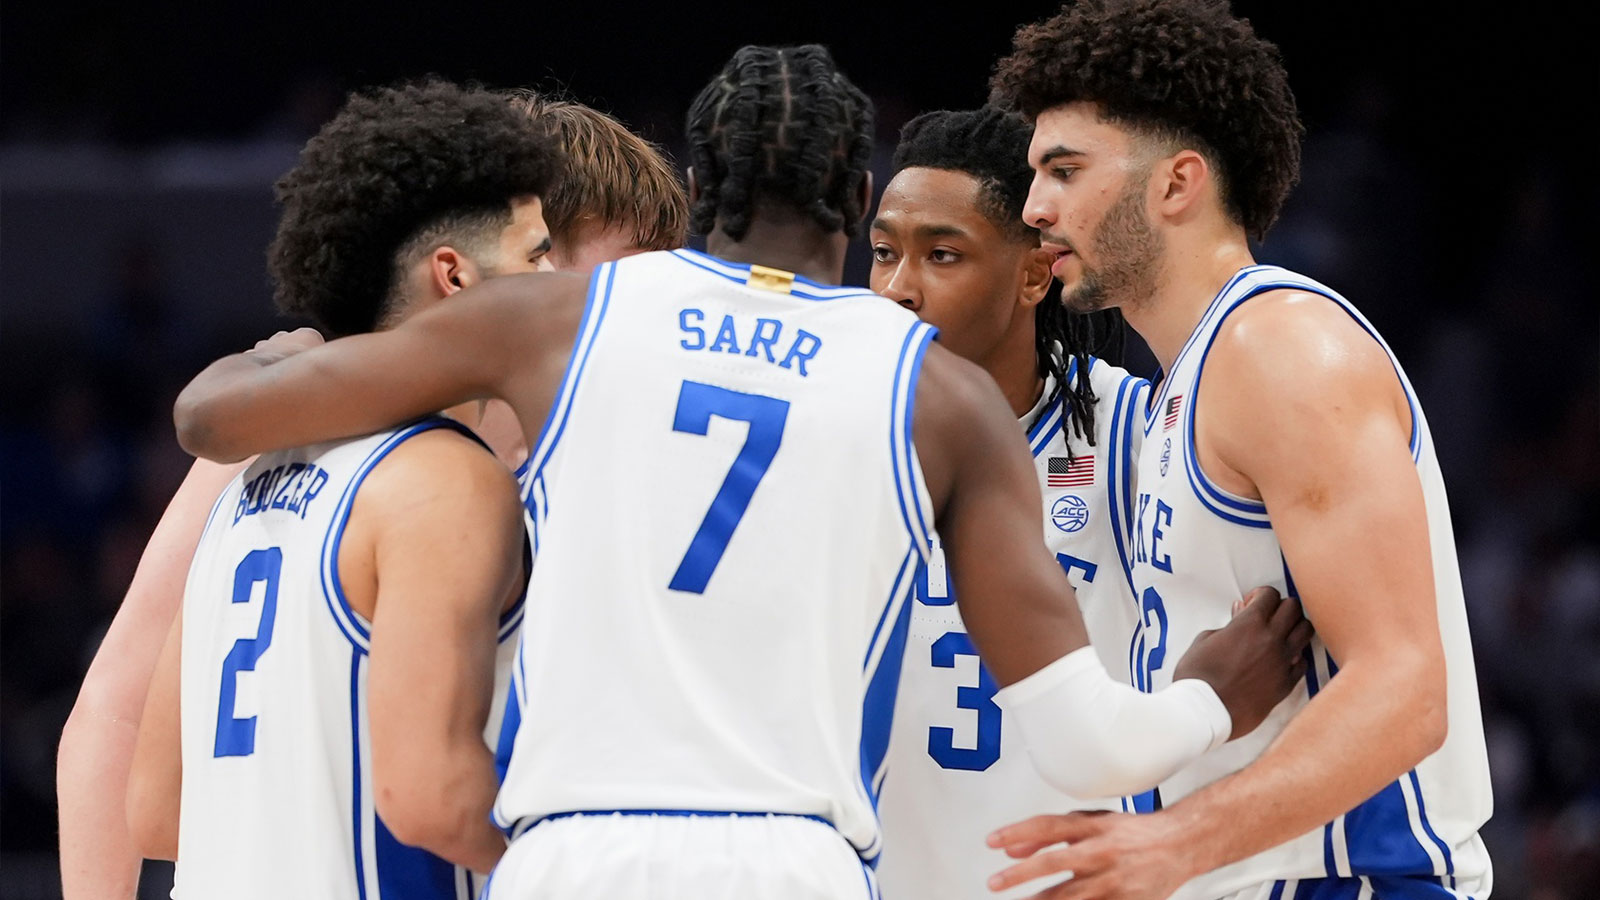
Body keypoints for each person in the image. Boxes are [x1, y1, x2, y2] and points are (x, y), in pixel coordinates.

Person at [170, 45, 1309, 898]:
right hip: (789, 861)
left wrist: (274, 356)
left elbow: (213, 420)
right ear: (859, 202)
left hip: (575, 853)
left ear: (695, 185)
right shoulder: (936, 391)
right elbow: (1084, 745)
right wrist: (1215, 691)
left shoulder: (548, 319)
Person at [56, 91, 688, 900]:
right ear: (515, 256)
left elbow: (162, 804)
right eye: (625, 277)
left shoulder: (272, 443)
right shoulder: (348, 442)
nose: (649, 314)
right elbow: (114, 714)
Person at [983, 2, 1493, 898]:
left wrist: (1172, 845)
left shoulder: (1280, 347)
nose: (1034, 208)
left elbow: (1407, 687)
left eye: (1063, 170)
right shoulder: (1187, 383)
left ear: (1176, 184)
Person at [122, 79, 563, 897]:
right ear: (455, 276)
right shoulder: (446, 478)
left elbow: (154, 809)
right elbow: (428, 798)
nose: (561, 278)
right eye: (538, 254)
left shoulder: (244, 487)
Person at [866, 106, 1148, 900]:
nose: (896, 290)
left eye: (941, 255)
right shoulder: (832, 431)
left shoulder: (1130, 434)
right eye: (883, 253)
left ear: (1032, 273)